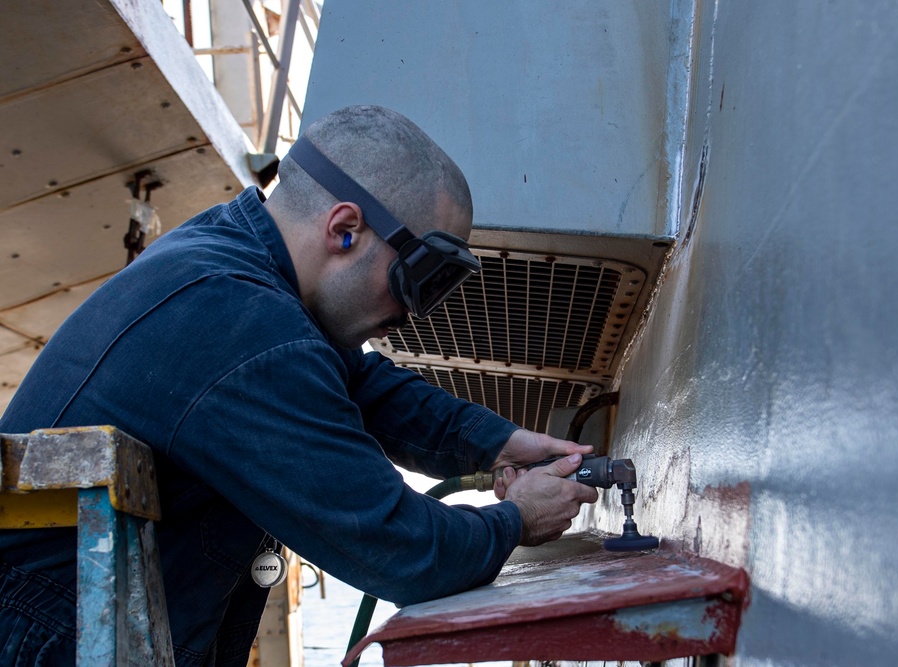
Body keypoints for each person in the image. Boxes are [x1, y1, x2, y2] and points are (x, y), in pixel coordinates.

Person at [0, 105, 598, 666]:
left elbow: (366, 386)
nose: (415, 312)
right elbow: (402, 548)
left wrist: (498, 442)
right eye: (420, 276)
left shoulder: (232, 262)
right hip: (49, 639)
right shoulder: (244, 326)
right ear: (344, 229)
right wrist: (516, 520)